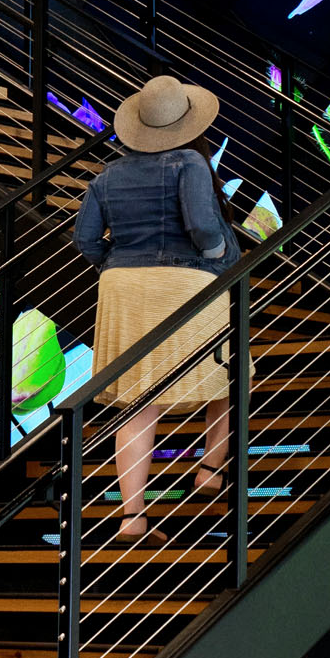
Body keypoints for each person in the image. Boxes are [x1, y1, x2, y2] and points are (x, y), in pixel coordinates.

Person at [73, 74, 242, 546]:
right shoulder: (189, 160)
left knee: (137, 397)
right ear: (188, 124)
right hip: (182, 282)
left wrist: (117, 263)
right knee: (229, 371)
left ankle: (132, 518)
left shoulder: (106, 177)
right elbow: (203, 226)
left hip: (121, 288)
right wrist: (212, 257)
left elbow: (85, 241)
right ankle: (210, 468)